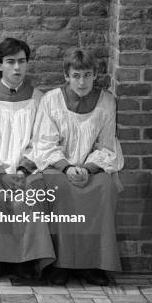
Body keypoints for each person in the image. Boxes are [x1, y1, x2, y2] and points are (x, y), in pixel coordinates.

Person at [28, 48, 124, 286]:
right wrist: (67, 168)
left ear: (95, 75)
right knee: (56, 189)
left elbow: (107, 145)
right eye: (76, 75)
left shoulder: (106, 102)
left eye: (88, 75)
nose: (82, 82)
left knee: (104, 189)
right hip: (56, 165)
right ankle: (60, 265)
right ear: (66, 76)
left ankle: (92, 264)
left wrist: (89, 168)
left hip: (92, 165)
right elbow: (44, 143)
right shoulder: (51, 100)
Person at [0, 38, 55, 279]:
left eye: (22, 62)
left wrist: (22, 170)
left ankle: (25, 261)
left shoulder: (39, 99)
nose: (17, 68)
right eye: (11, 62)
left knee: (31, 198)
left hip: (27, 169)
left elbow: (42, 140)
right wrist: (1, 174)